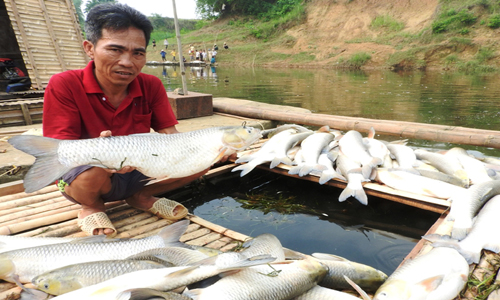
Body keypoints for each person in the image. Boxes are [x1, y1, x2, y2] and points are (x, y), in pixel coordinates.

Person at [42, 3, 213, 237]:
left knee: (201, 162)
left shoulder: (151, 85)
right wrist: (102, 154)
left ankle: (139, 196)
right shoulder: (65, 84)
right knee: (93, 169)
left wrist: (212, 150)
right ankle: (91, 206)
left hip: (139, 169)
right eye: (115, 49)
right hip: (86, 175)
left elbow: (171, 137)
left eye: (138, 53)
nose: (127, 61)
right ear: (90, 48)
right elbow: (61, 147)